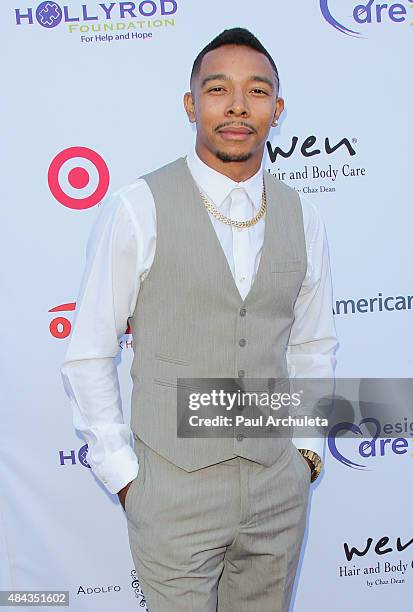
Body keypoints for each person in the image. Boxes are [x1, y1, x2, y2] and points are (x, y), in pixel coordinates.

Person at [61, 27, 338, 611]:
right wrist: (126, 478)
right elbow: (89, 352)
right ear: (192, 104)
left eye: (256, 92)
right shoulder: (140, 207)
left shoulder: (302, 214)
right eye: (218, 89)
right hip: (172, 490)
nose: (238, 106)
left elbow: (312, 344)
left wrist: (306, 452)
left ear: (277, 109)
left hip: (276, 485)